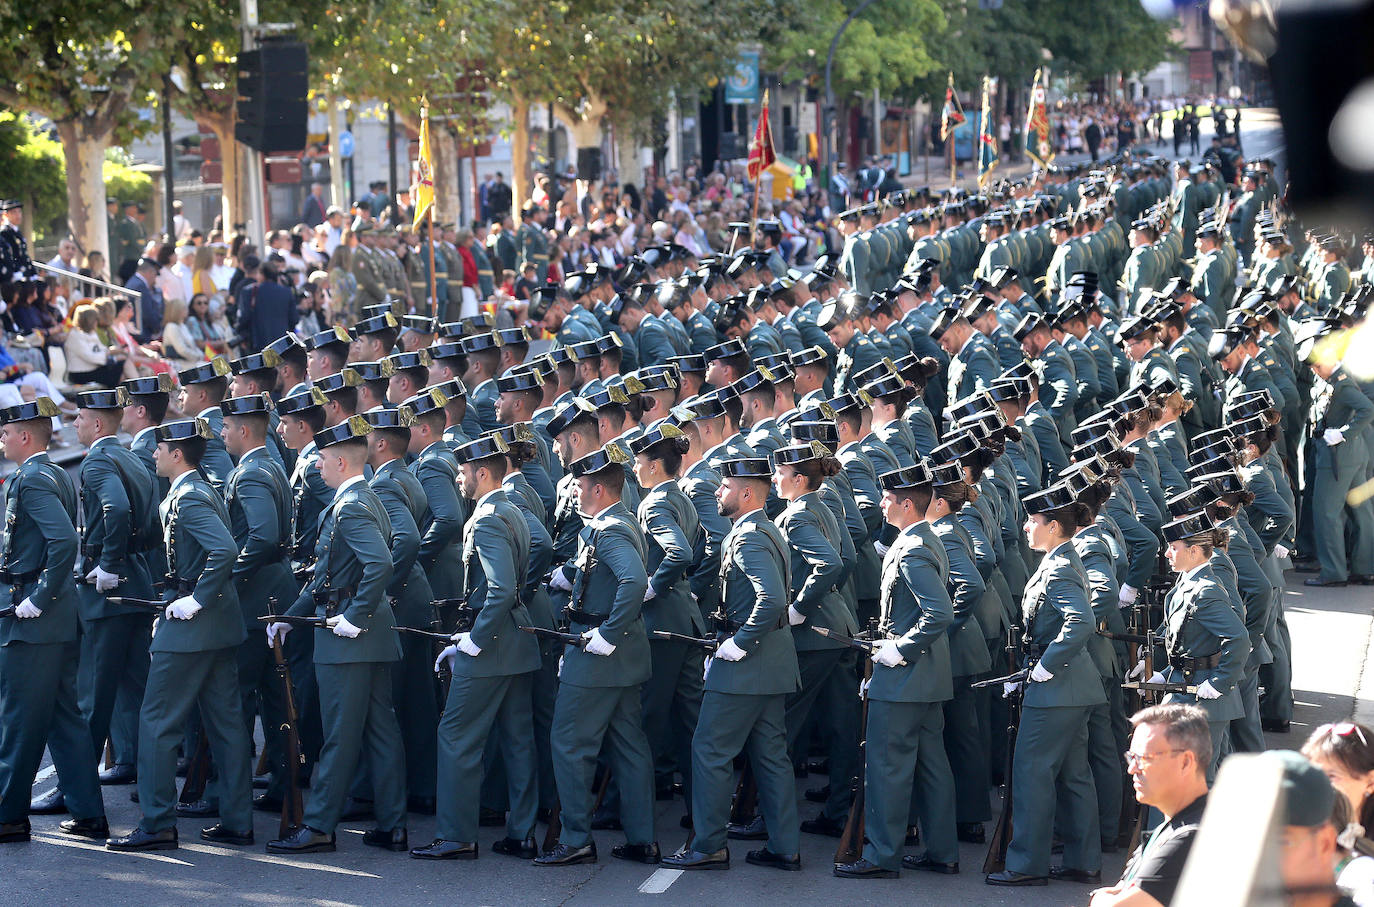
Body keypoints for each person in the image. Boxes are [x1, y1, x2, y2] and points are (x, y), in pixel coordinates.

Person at [106, 418, 254, 852]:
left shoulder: (189, 496)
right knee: (226, 725)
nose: (152, 454)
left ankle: (157, 823)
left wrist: (198, 598)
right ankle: (237, 820)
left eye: (158, 448)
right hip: (214, 626)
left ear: (176, 454)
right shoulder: (199, 489)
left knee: (156, 723)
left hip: (191, 626)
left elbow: (224, 549)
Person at [265, 416, 407, 855]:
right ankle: (393, 823)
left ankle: (320, 825)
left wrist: (357, 615)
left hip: (348, 636)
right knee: (380, 731)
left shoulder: (350, 505)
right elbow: (326, 577)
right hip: (363, 631)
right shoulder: (361, 497)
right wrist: (292, 616)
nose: (317, 466)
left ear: (341, 461)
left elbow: (380, 564)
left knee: (340, 734)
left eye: (323, 459)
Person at [664, 457, 801, 872]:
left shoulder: (747, 538)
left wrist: (739, 643)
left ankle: (708, 845)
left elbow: (773, 598)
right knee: (771, 756)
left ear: (745, 493)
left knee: (709, 750)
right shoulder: (766, 530)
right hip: (771, 663)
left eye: (724, 487)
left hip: (744, 665)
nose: (717, 493)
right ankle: (784, 846)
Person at [412, 434, 540, 861]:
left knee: (456, 736)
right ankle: (521, 832)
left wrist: (473, 641)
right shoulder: (511, 509)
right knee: (517, 740)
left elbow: (500, 589)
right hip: (516, 640)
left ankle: (456, 835)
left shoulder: (486, 517)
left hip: (492, 643)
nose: (460, 480)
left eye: (463, 473)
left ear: (482, 472)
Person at [536, 442, 659, 867]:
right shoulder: (614, 523)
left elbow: (633, 580)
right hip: (620, 656)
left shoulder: (610, 529)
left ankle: (575, 839)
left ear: (600, 491)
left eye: (581, 486)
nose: (575, 493)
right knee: (628, 746)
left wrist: (607, 632)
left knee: (569, 742)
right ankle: (643, 839)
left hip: (600, 653)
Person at [834, 462, 959, 879]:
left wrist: (900, 650)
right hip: (925, 678)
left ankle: (881, 855)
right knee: (932, 769)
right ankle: (942, 851)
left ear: (907, 504)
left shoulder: (913, 547)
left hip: (905, 677)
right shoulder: (924, 539)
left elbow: (938, 612)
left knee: (886, 766)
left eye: (888, 498)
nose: (882, 503)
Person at [0, 398, 107, 846]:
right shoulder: (55, 472)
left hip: (36, 616)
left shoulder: (31, 479)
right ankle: (87, 812)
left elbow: (63, 541)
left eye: (6, 432)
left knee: (21, 720)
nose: (2, 439)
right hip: (58, 616)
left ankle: (8, 815)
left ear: (25, 435)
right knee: (65, 720)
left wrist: (37, 598)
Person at [987, 482, 1104, 887]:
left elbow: (1081, 621)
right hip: (1071, 687)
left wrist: (1046, 666)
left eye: (1033, 521)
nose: (1025, 527)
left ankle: (1026, 864)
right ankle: (1082, 860)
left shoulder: (1058, 568)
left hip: (1057, 689)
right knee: (1073, 776)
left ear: (1054, 526)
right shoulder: (1060, 559)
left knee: (1033, 772)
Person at [1088, 703, 1212, 907]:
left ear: (1185, 762)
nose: (1132, 769)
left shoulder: (1189, 837)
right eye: (1131, 757)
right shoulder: (1172, 827)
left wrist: (1100, 900)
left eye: (1144, 758)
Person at [64, 305, 134, 387]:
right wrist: (114, 358)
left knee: (123, 371)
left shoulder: (91, 333)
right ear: (90, 321)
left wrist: (115, 351)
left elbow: (102, 350)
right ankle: (138, 390)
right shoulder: (74, 336)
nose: (97, 322)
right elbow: (91, 357)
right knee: (123, 365)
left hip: (94, 370)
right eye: (95, 320)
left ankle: (128, 395)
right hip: (80, 374)